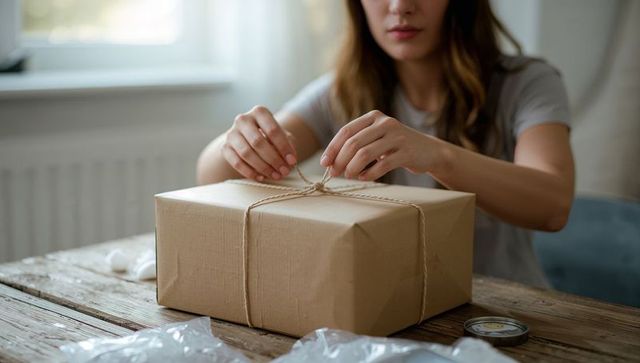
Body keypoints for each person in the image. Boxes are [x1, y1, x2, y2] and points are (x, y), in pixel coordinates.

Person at [196, 0, 575, 287]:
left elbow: (553, 204)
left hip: (505, 315)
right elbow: (213, 175)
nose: (400, 7)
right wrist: (240, 142)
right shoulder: (340, 92)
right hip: (387, 307)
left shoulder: (527, 83)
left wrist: (437, 155)